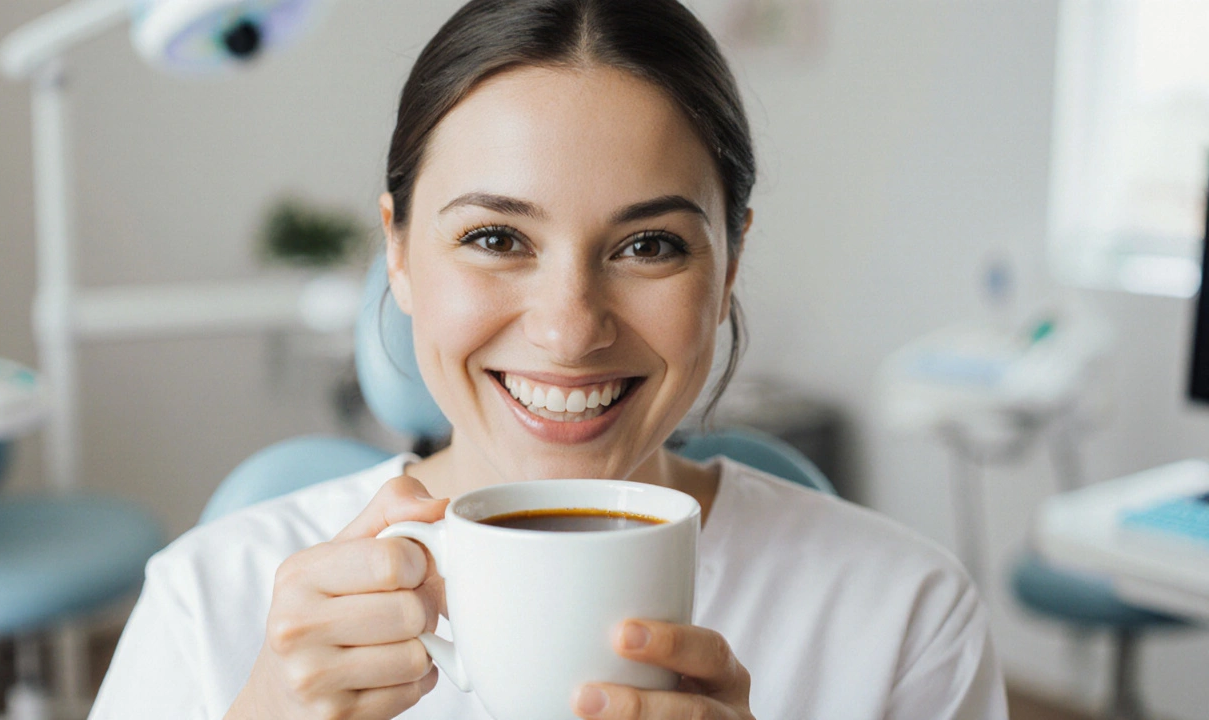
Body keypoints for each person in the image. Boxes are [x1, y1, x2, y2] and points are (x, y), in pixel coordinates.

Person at [88, 1, 1008, 718]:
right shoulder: (210, 601)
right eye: (495, 237)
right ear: (399, 254)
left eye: (649, 246)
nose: (570, 331)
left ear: (730, 266)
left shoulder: (906, 618)